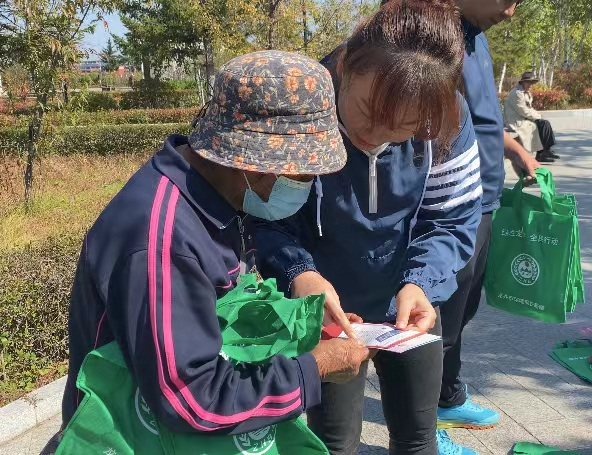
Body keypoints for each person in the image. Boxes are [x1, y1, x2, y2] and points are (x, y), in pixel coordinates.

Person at [40, 50, 371, 454]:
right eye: (304, 174)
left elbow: (215, 321)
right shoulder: (163, 240)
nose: (308, 185)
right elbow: (192, 400)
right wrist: (312, 370)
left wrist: (301, 334)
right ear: (257, 165)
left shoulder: (217, 200)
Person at [255, 2, 483, 454]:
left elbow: (452, 218)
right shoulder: (299, 110)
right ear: (344, 67)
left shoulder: (447, 117)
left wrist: (422, 282)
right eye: (366, 111)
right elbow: (262, 218)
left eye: (403, 129)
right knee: (335, 441)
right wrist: (299, 273)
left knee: (418, 436)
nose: (375, 136)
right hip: (329, 310)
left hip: (410, 307)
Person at [434, 2, 545, 455]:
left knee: (463, 311)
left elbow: (481, 120)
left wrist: (515, 148)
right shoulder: (436, 34)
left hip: (485, 201)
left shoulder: (477, 37)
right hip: (451, 203)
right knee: (437, 314)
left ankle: (447, 394)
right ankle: (421, 427)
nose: (512, 11)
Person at [504, 71, 559, 163]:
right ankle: (542, 153)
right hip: (515, 120)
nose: (531, 85)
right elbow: (523, 110)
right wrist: (538, 116)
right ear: (523, 82)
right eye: (529, 82)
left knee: (544, 123)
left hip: (523, 117)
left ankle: (545, 151)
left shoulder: (525, 92)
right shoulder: (517, 93)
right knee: (541, 124)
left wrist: (538, 116)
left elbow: (529, 108)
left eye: (532, 82)